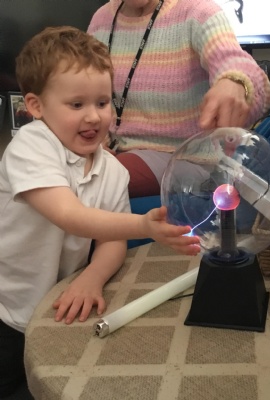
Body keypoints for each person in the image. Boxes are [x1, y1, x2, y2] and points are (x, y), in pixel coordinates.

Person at [0, 26, 200, 397]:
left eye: (103, 103)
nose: (94, 117)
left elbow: (111, 240)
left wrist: (93, 276)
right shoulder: (31, 145)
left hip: (57, 301)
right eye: (77, 105)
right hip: (9, 305)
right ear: (36, 106)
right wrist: (143, 224)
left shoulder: (113, 170)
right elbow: (68, 214)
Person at [88, 0, 270, 198]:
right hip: (115, 152)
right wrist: (97, 140)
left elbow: (243, 69)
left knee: (89, 179)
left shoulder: (198, 13)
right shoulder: (102, 20)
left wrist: (235, 82)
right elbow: (86, 92)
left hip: (185, 157)